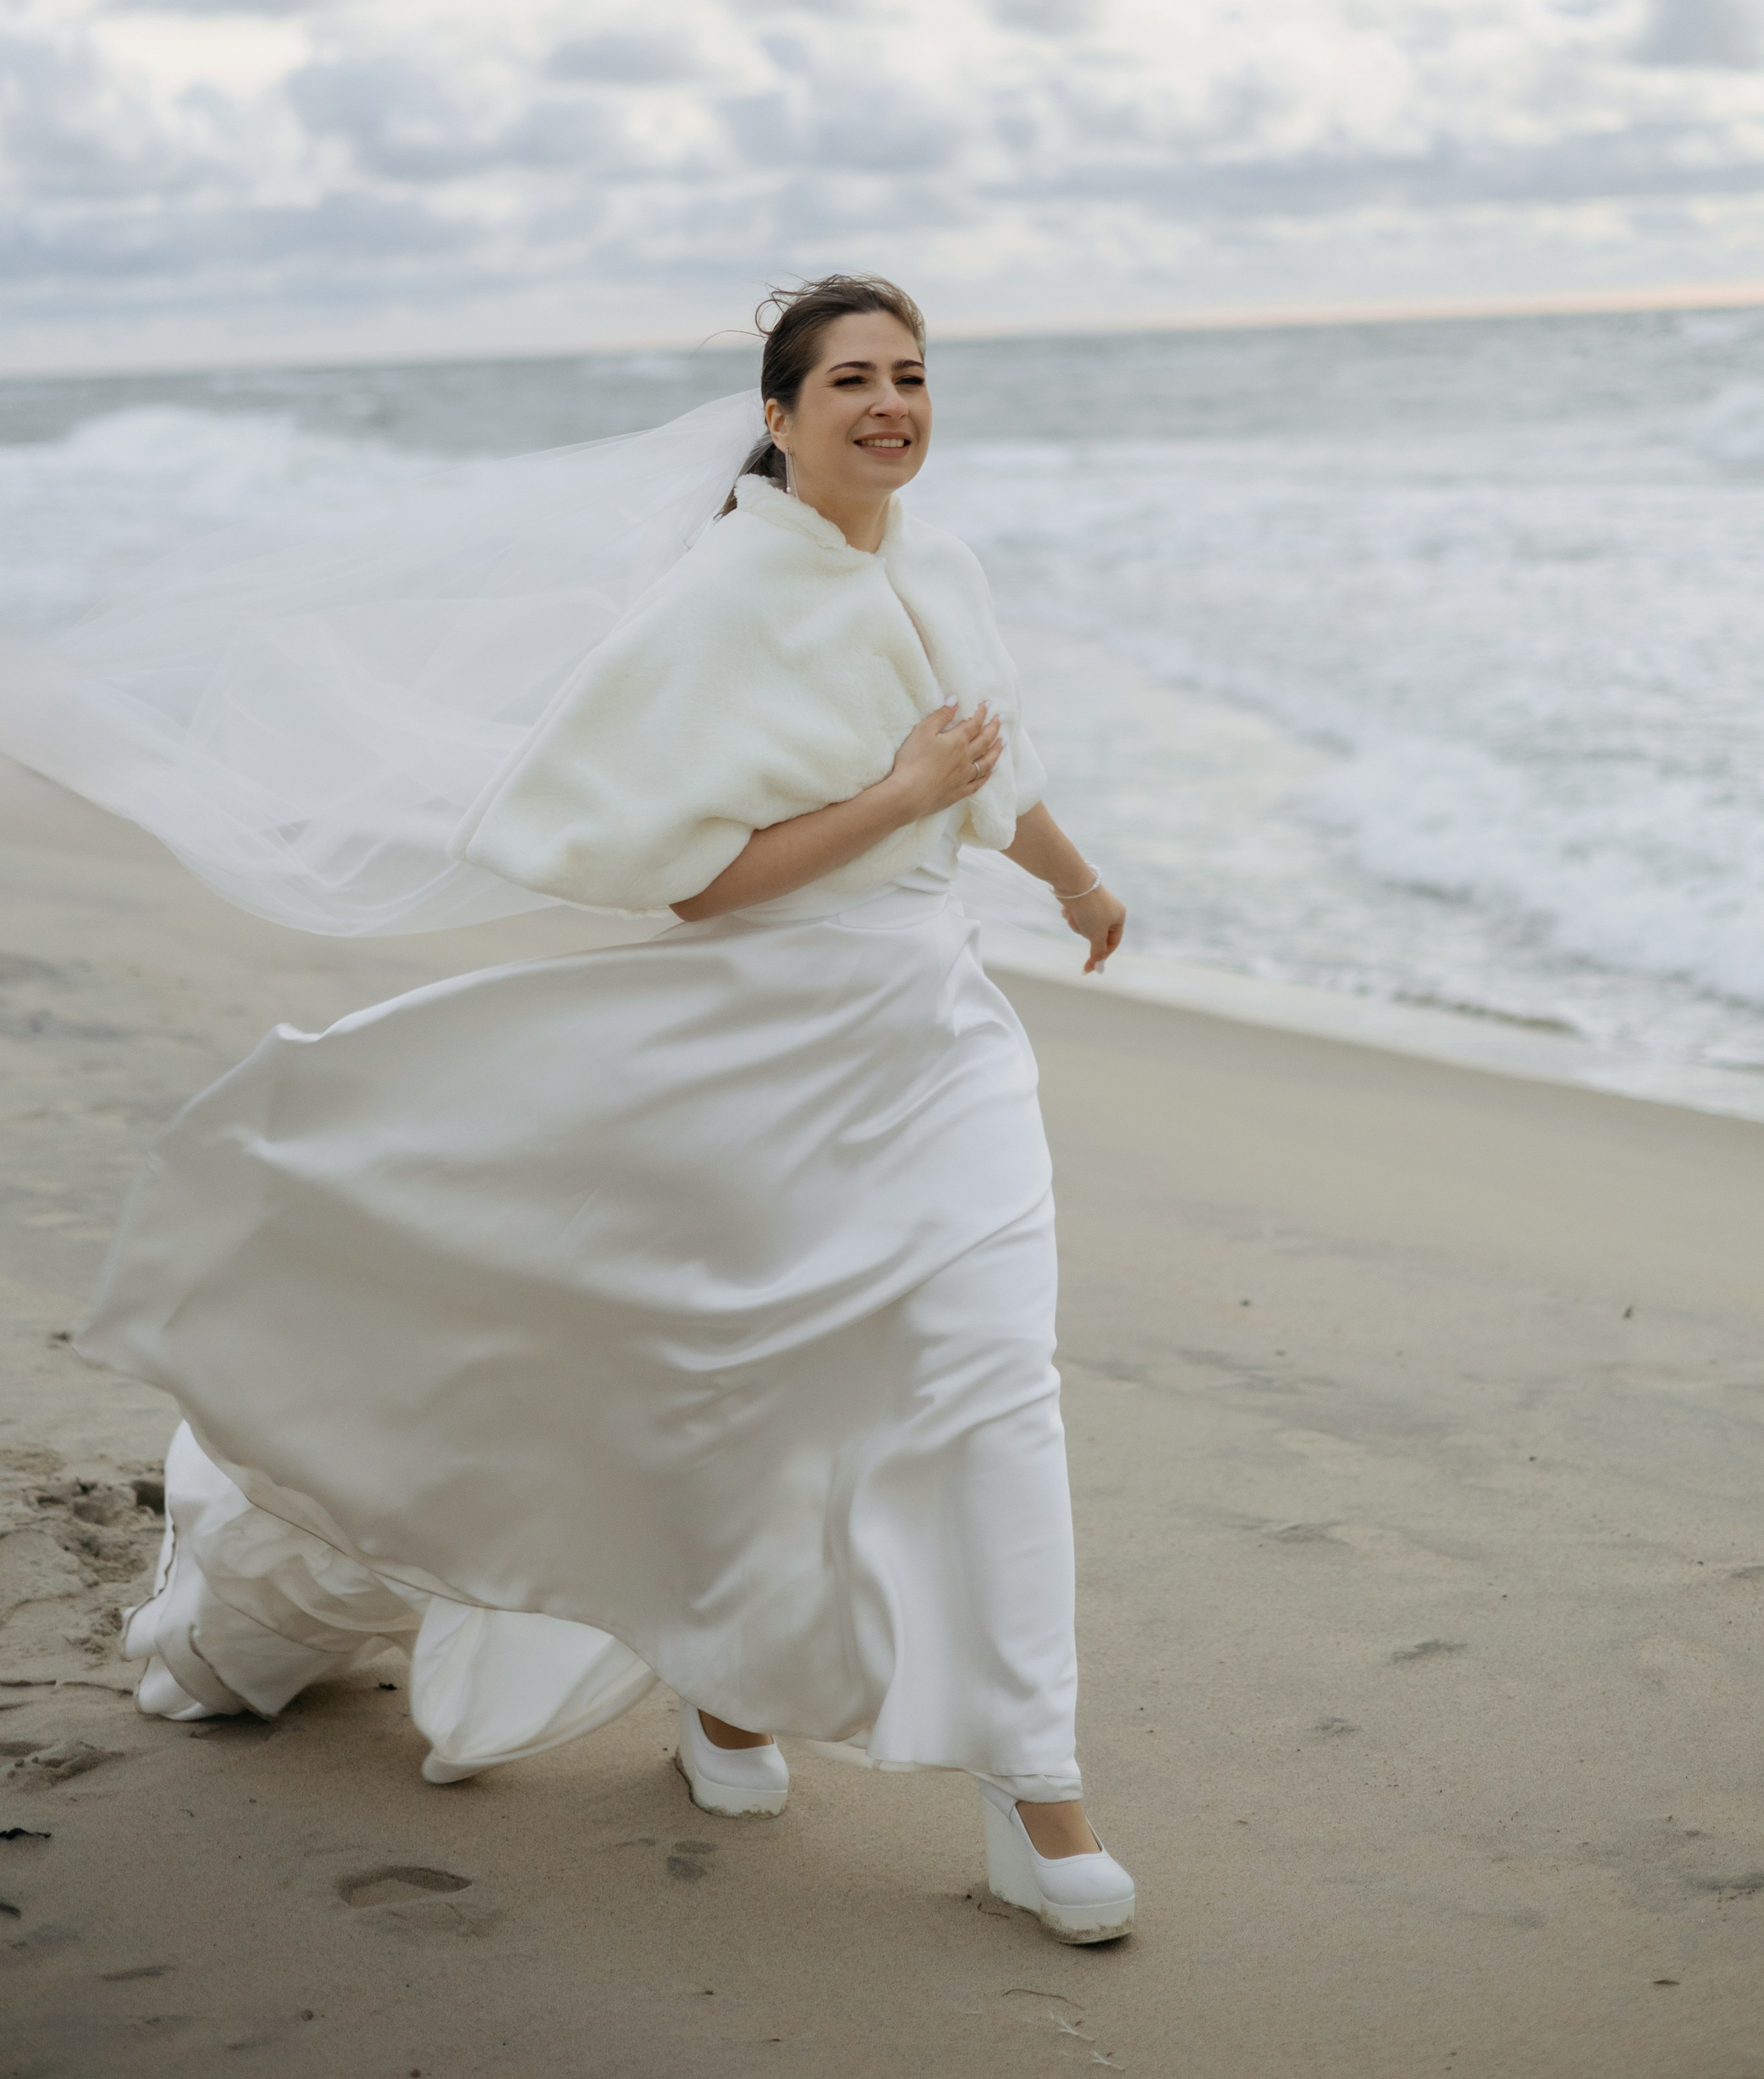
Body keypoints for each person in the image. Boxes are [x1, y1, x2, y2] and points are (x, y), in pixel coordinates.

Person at [57, 274, 1137, 1945]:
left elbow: (996, 767)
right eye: (849, 379)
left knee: (992, 1382)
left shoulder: (939, 563)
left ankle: (1033, 1788)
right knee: (731, 1391)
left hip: (940, 1043)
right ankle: (720, 1693)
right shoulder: (721, 598)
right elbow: (697, 889)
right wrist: (892, 797)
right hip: (765, 1055)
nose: (888, 405)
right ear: (776, 419)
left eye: (911, 376)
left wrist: (1070, 878)